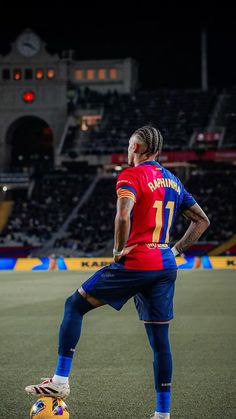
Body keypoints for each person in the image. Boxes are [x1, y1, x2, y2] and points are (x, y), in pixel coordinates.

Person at [25, 126, 210, 419]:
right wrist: (174, 252)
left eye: (128, 144)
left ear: (135, 147)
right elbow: (202, 220)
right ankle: (162, 415)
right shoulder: (173, 180)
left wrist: (116, 252)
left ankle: (60, 382)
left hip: (136, 261)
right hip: (164, 264)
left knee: (74, 305)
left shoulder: (131, 175)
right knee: (160, 343)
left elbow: (123, 215)